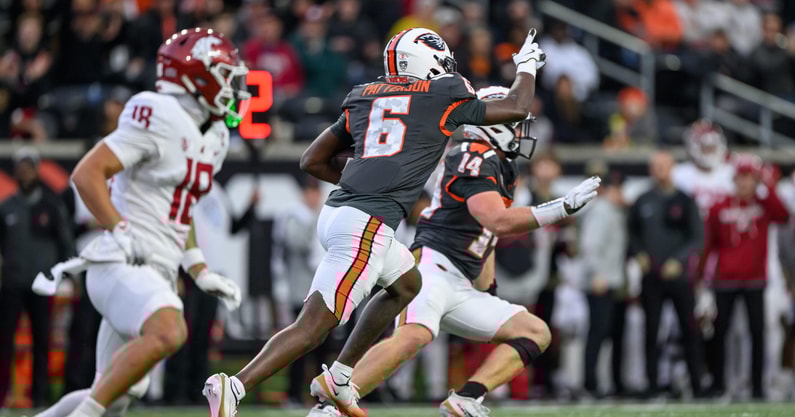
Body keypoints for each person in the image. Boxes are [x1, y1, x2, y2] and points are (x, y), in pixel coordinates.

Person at [204, 27, 547, 417]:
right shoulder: (444, 93)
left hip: (342, 213)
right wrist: (528, 65)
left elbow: (311, 161)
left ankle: (340, 377)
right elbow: (517, 105)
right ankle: (234, 386)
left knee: (407, 284)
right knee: (314, 326)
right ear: (429, 61)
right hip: (367, 223)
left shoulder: (366, 94)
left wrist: (364, 178)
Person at [307, 85, 601, 417]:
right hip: (432, 268)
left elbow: (487, 232)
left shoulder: (502, 166)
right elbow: (497, 220)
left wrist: (487, 289)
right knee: (412, 337)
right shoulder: (471, 153)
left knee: (534, 331)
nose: (520, 131)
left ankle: (466, 398)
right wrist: (560, 208)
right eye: (515, 123)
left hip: (460, 281)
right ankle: (331, 406)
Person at [31, 28, 244, 417]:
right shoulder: (157, 111)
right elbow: (87, 173)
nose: (234, 88)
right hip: (122, 263)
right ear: (196, 76)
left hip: (157, 269)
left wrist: (197, 268)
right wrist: (120, 228)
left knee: (119, 392)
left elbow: (181, 207)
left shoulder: (216, 135)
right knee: (169, 330)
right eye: (226, 76)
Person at [699, 154, 790, 399]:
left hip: (754, 280)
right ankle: (719, 384)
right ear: (734, 179)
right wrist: (700, 278)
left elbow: (783, 216)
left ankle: (758, 386)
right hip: (725, 279)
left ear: (755, 179)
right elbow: (709, 244)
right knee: (721, 333)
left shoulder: (764, 205)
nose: (744, 183)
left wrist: (767, 187)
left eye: (749, 177)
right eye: (740, 177)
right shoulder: (720, 207)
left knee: (757, 333)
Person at [0, 147, 74, 407]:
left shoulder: (51, 206)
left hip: (42, 285)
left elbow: (65, 244)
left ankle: (40, 398)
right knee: (4, 342)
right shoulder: (7, 207)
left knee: (42, 341)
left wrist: (68, 277)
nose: (24, 171)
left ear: (36, 169)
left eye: (28, 166)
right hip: (12, 284)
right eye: (20, 166)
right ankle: (2, 396)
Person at [628, 151, 705, 398]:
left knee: (690, 330)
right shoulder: (643, 200)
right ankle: (652, 385)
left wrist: (679, 261)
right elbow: (632, 232)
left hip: (680, 278)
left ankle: (696, 384)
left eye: (663, 165)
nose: (658, 170)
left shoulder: (684, 200)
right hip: (651, 275)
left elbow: (697, 237)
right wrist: (638, 253)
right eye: (654, 166)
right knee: (651, 331)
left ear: (672, 167)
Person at [580, 167, 628, 397]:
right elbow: (590, 246)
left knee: (606, 333)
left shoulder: (612, 211)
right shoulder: (602, 211)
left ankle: (607, 382)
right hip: (601, 282)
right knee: (598, 333)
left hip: (611, 281)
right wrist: (598, 274)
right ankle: (591, 383)